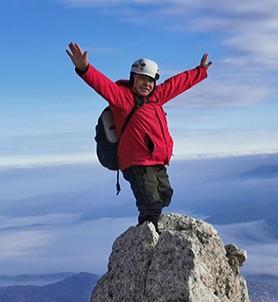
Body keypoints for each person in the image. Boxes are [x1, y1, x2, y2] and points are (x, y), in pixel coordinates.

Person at [66, 42, 213, 231]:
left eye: (151, 80)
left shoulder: (156, 98)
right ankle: (146, 238)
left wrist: (199, 71)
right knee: (151, 205)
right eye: (142, 79)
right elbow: (101, 84)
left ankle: (149, 227)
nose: (147, 84)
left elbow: (177, 83)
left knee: (165, 196)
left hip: (157, 160)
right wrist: (84, 68)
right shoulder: (123, 98)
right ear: (133, 78)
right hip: (137, 163)